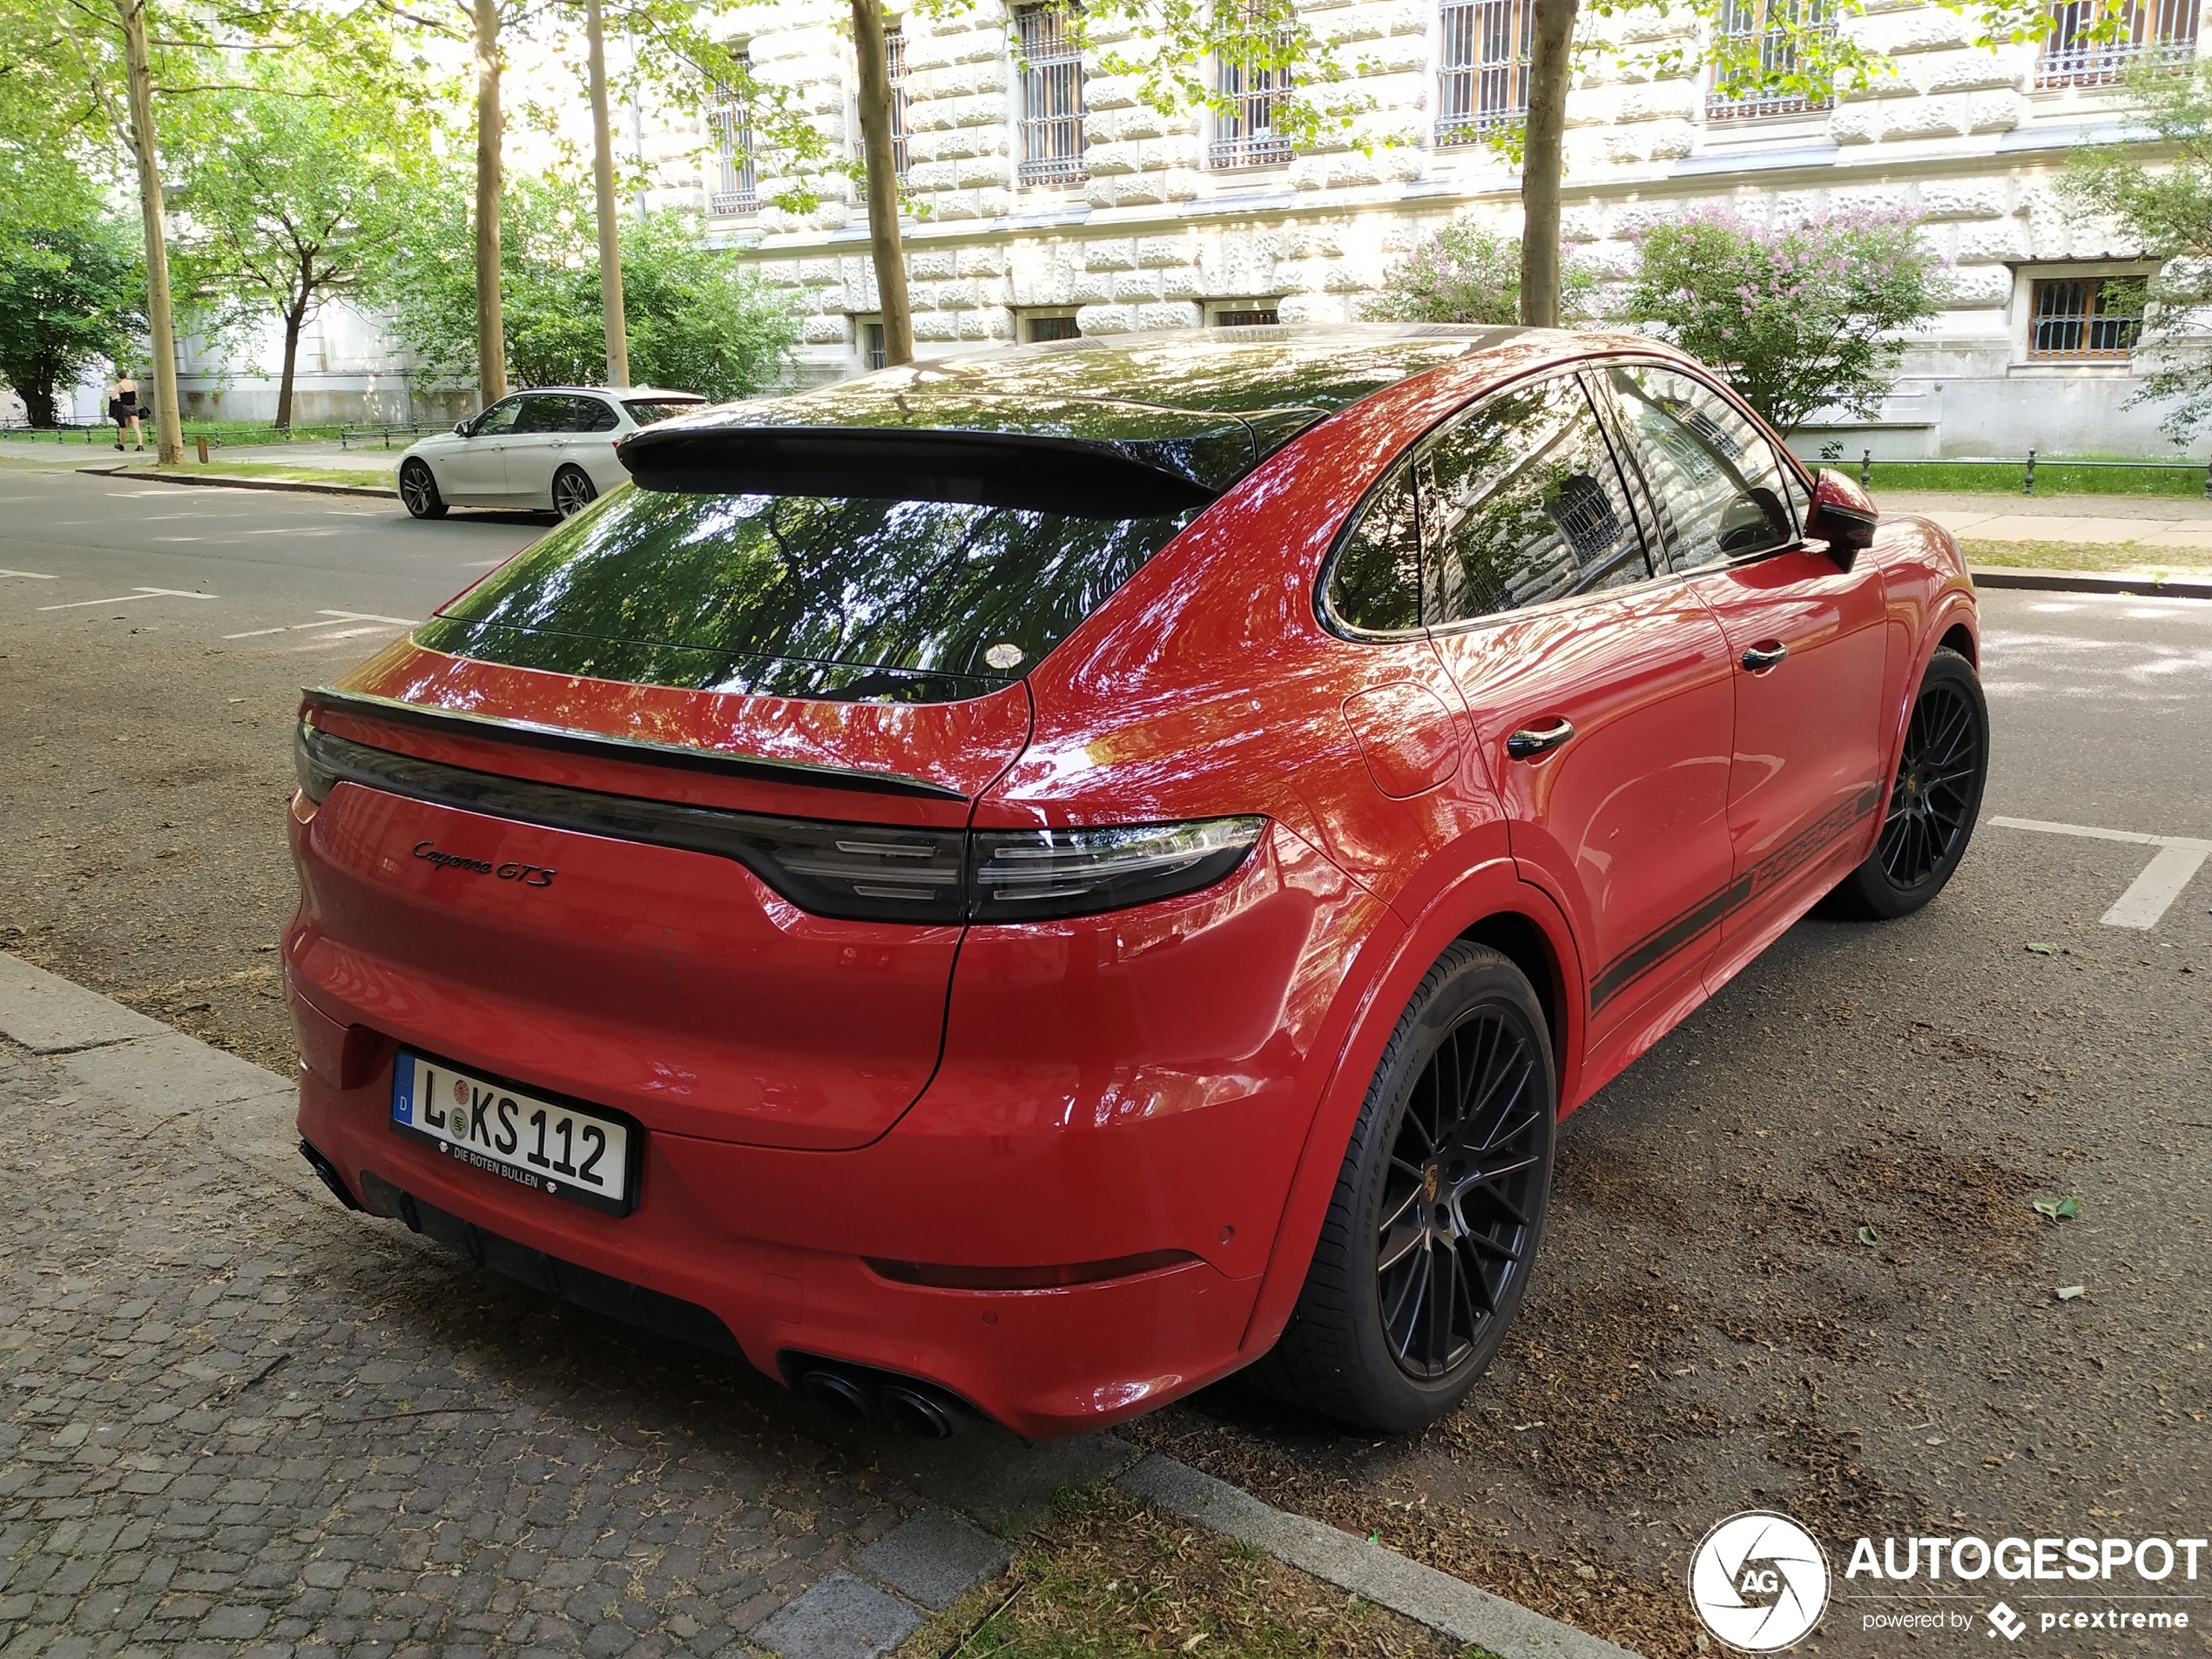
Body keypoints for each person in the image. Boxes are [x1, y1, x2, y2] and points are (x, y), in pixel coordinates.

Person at [108, 376, 146, 452]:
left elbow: (113, 397)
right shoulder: (132, 384)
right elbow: (137, 397)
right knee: (136, 428)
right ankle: (140, 445)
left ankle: (121, 445)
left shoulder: (119, 385)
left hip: (124, 408)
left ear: (119, 377)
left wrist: (118, 398)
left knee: (124, 427)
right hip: (133, 407)